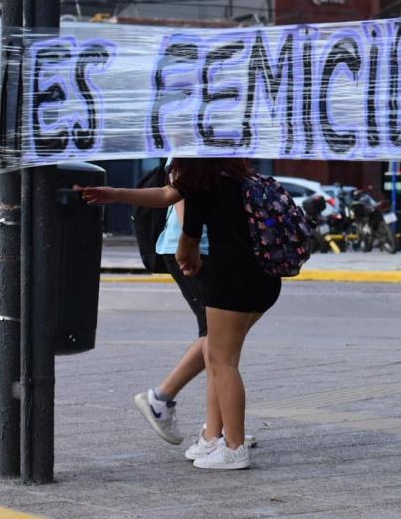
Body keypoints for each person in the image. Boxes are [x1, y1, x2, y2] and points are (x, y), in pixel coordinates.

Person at [77, 158, 272, 470]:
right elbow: (168, 195)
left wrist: (187, 257)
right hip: (265, 276)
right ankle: (212, 436)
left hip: (231, 277)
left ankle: (233, 447)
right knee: (219, 354)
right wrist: (115, 193)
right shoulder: (236, 172)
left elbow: (185, 239)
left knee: (222, 361)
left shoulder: (198, 182)